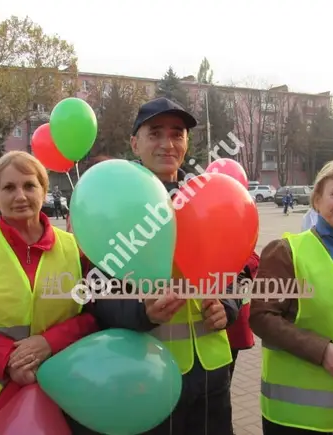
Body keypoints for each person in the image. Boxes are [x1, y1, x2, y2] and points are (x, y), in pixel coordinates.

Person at [85, 97, 244, 435]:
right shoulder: (113, 201)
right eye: (155, 133)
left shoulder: (207, 196)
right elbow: (94, 289)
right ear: (134, 143)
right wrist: (142, 312)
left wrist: (228, 305)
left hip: (212, 368)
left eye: (177, 134)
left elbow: (237, 268)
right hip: (147, 370)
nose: (167, 144)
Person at [0, 151, 99, 434]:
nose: (20, 195)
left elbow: (94, 314)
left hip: (66, 394)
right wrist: (6, 360)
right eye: (8, 187)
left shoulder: (76, 248)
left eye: (30, 186)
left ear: (44, 191)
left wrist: (49, 342)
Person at [250, 159, 333, 435]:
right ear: (317, 200)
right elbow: (261, 317)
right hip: (299, 416)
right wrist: (321, 350)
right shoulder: (286, 251)